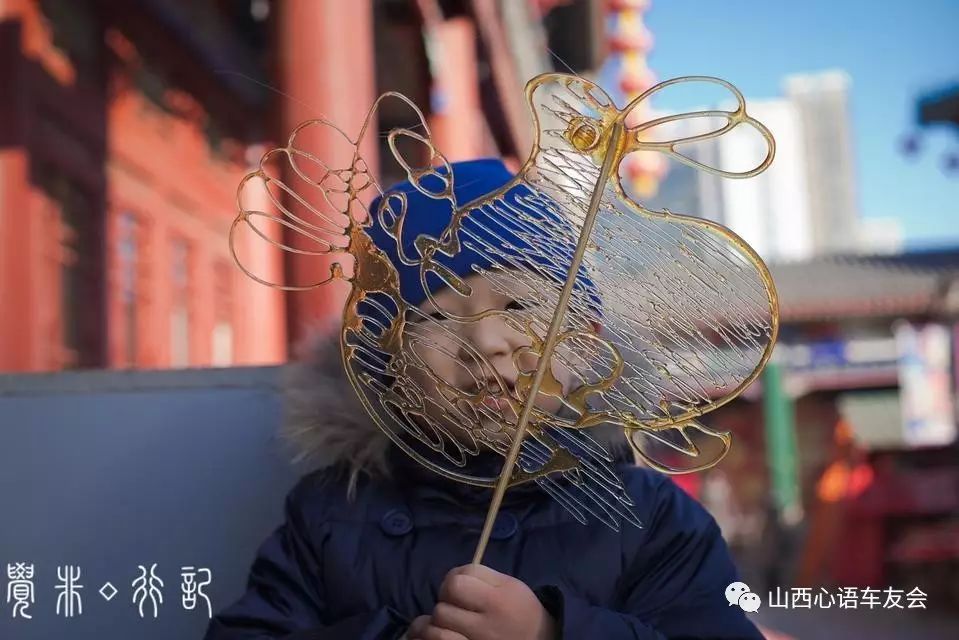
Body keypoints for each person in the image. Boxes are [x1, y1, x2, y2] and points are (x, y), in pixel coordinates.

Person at [204, 159, 764, 640]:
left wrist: (552, 632)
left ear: (586, 341)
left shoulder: (649, 516)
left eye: (519, 307)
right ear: (388, 366)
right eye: (439, 317)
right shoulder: (332, 514)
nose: (488, 344)